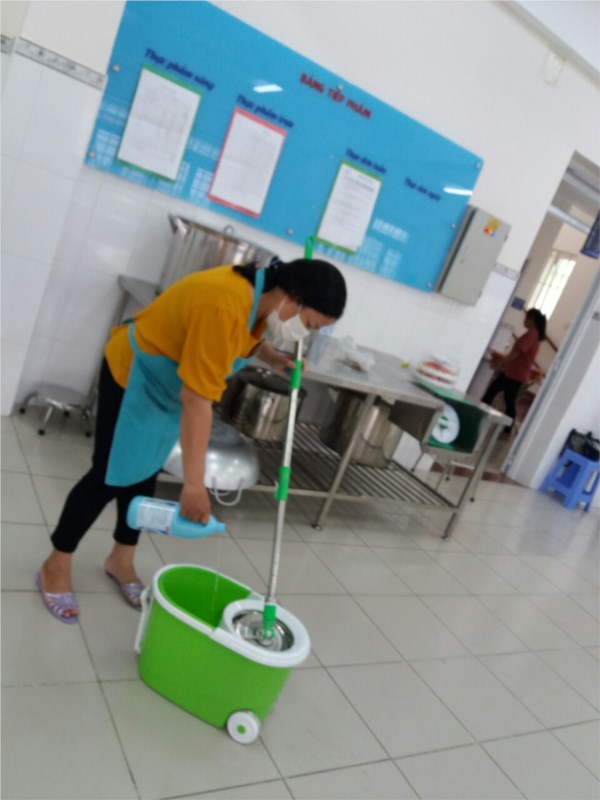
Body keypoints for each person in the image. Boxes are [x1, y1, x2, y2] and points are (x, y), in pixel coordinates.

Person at [36, 258, 347, 623]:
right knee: (107, 477)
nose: (303, 334)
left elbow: (244, 338)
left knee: (144, 474)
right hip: (135, 375)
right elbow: (197, 400)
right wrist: (195, 486)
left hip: (167, 387)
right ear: (292, 298)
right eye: (309, 324)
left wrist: (275, 360)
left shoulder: (262, 300)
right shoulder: (224, 301)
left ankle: (120, 559)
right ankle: (55, 565)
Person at [482, 307, 546, 434]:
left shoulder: (532, 334)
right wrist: (504, 363)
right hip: (513, 373)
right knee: (503, 398)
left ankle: (501, 424)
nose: (524, 321)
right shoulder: (534, 334)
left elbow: (517, 352)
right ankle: (505, 427)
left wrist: (501, 361)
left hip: (515, 375)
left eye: (526, 318)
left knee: (499, 396)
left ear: (532, 319)